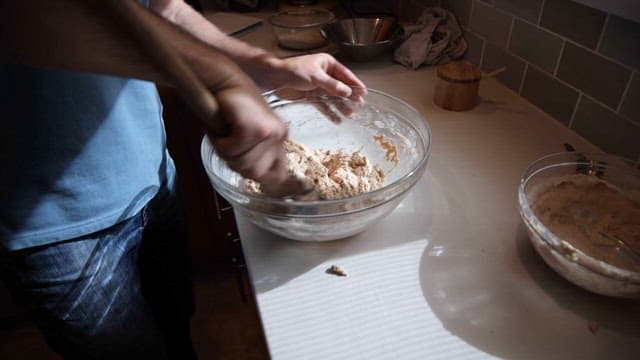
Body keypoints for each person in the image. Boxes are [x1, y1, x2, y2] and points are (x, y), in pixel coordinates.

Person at [0, 0, 367, 358]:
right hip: (53, 225)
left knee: (176, 324)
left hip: (152, 173)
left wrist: (262, 66)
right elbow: (26, 17)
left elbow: (159, 7)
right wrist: (222, 78)